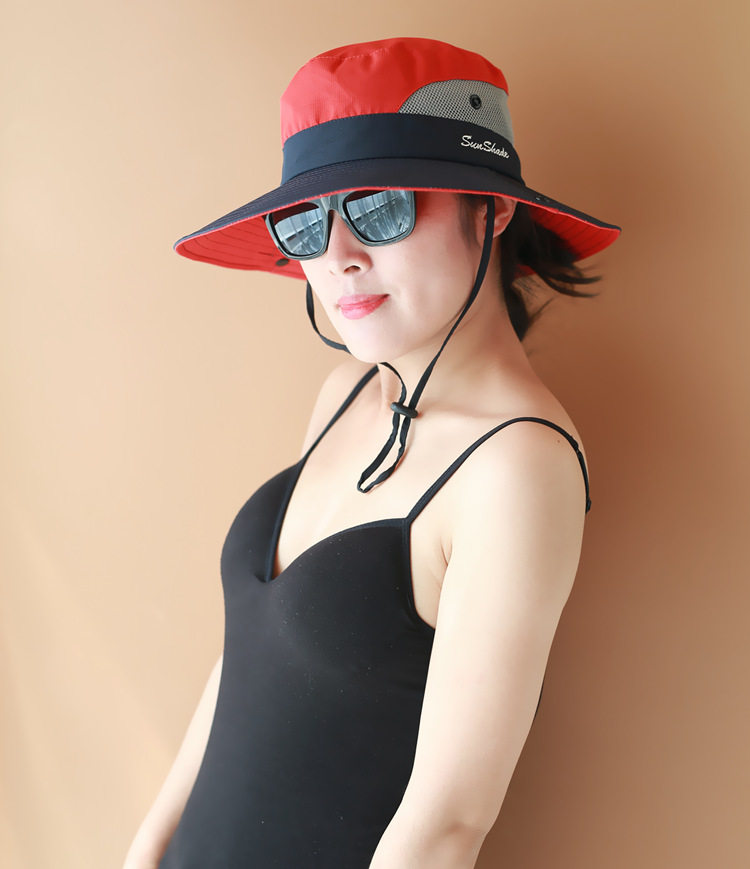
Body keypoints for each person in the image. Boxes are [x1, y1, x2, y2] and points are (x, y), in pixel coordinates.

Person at [123, 37, 620, 869]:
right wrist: (146, 846)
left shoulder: (517, 466)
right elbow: (247, 661)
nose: (338, 257)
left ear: (492, 210)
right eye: (306, 222)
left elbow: (448, 821)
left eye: (381, 208)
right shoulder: (345, 394)